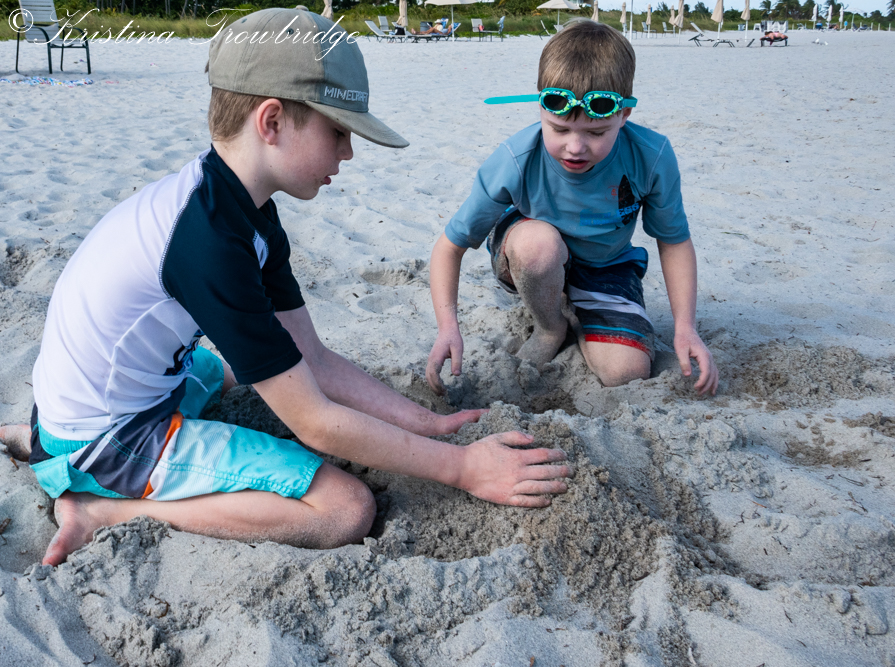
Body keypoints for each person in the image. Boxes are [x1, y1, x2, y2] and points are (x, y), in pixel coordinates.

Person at [0, 8, 572, 568]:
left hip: (121, 394)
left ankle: (49, 447)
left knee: (238, 368)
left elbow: (311, 357)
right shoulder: (207, 242)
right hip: (111, 433)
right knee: (344, 510)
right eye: (338, 131)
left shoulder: (243, 207)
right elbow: (313, 420)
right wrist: (461, 467)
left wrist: (426, 425)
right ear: (271, 122)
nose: (348, 151)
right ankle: (101, 506)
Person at [425, 19, 719, 394]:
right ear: (541, 110)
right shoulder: (515, 158)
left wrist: (685, 327)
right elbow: (450, 246)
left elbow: (674, 241)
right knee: (538, 247)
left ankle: (579, 307)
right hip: (532, 252)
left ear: (624, 115)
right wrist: (448, 327)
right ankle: (551, 325)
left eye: (596, 133)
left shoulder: (652, 156)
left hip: (606, 264)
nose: (576, 147)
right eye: (560, 129)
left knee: (626, 371)